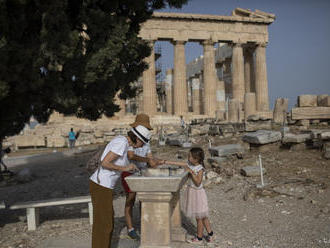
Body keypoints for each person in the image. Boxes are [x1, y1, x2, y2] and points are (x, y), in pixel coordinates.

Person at [89, 124, 151, 248]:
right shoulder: (122, 143)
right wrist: (125, 168)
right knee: (104, 225)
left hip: (104, 186)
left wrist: (129, 168)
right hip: (101, 185)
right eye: (142, 142)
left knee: (106, 223)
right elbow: (105, 163)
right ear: (137, 138)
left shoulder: (123, 142)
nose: (143, 146)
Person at [121, 113, 163, 240]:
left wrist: (155, 163)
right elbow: (131, 156)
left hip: (142, 172)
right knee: (130, 199)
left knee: (144, 199)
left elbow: (149, 158)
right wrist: (147, 160)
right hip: (129, 172)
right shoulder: (129, 139)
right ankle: (130, 228)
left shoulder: (146, 142)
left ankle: (144, 224)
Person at [165, 147, 215, 245]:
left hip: (198, 194)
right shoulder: (190, 164)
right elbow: (181, 164)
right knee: (203, 216)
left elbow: (197, 182)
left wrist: (190, 172)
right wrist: (165, 162)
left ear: (196, 159)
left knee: (199, 217)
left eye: (190, 157)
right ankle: (211, 234)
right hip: (192, 193)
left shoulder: (199, 169)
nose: (188, 158)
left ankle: (199, 239)